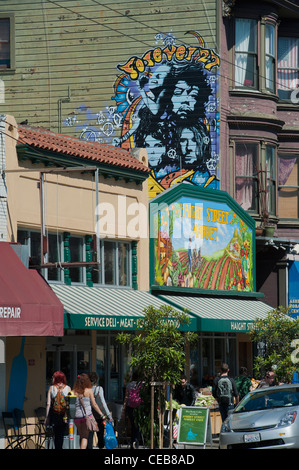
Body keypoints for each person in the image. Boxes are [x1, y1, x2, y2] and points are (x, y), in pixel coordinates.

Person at [72, 373, 105, 449]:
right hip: (86, 416)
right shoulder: (89, 391)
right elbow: (94, 404)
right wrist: (101, 414)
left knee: (81, 436)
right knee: (85, 437)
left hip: (76, 417)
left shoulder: (73, 391)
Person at [45, 371, 71, 449]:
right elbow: (69, 404)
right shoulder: (68, 388)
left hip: (54, 414)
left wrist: (47, 417)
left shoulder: (51, 388)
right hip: (64, 415)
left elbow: (48, 404)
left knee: (56, 434)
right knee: (61, 434)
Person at [87, 372, 113, 449]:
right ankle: (101, 446)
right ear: (96, 380)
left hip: (90, 414)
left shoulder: (87, 390)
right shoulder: (99, 389)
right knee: (100, 433)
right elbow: (103, 402)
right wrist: (108, 415)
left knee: (90, 434)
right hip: (99, 414)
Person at [122, 372, 143, 449]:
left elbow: (126, 397)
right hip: (139, 407)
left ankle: (132, 442)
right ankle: (136, 442)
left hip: (130, 407)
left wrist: (124, 409)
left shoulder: (129, 385)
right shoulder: (142, 384)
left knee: (133, 425)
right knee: (138, 425)